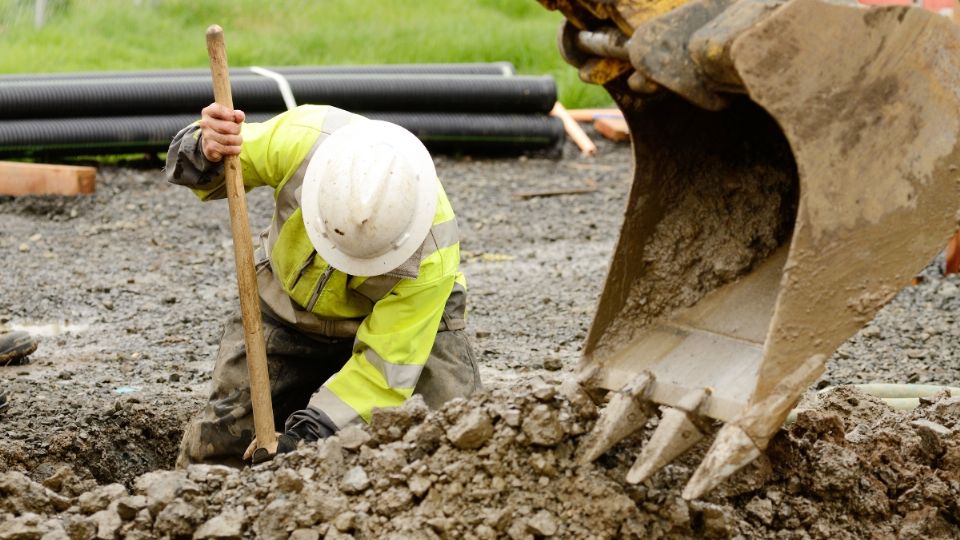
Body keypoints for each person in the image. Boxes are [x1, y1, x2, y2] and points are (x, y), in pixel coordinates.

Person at [166, 103, 481, 466]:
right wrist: (205, 149)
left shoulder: (432, 256)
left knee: (453, 443)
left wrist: (304, 439)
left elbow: (383, 374)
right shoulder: (304, 140)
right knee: (219, 448)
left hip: (406, 331)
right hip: (287, 307)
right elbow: (222, 164)